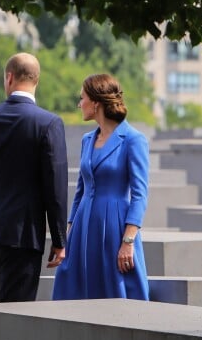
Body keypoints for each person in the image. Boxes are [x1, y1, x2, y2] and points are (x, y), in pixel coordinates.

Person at [0, 52, 69, 302]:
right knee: (17, 316)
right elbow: (55, 187)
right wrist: (59, 239)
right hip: (25, 235)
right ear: (37, 80)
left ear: (9, 78)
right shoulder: (49, 123)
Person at [52, 73, 149, 301]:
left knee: (115, 288)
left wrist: (128, 241)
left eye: (82, 98)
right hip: (83, 225)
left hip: (114, 226)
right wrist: (67, 236)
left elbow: (140, 194)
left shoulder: (133, 140)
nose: (79, 104)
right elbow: (80, 192)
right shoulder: (87, 139)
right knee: (73, 288)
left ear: (95, 103)